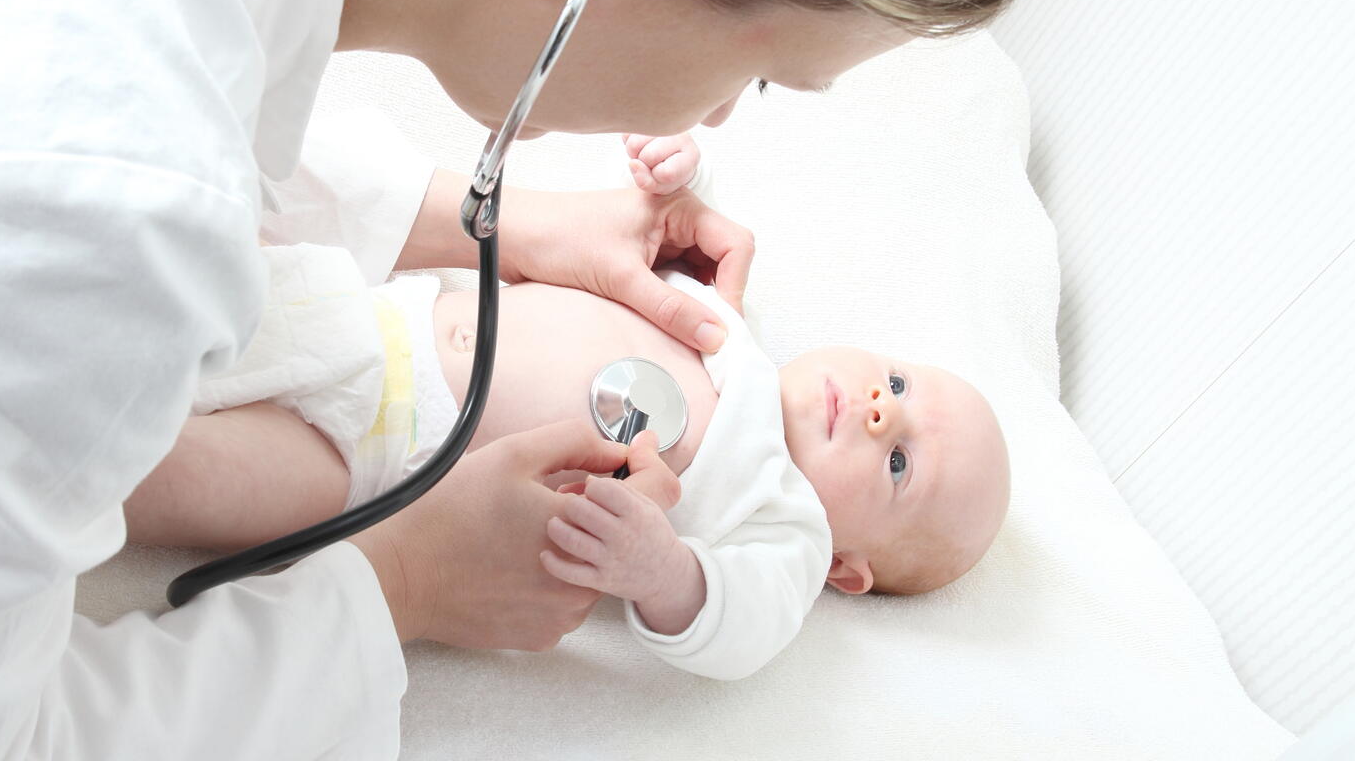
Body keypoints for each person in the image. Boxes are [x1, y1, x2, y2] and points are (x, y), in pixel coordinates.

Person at [0, 0, 1064, 755]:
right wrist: (402, 584)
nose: (711, 126)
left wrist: (505, 220)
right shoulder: (99, 213)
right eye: (755, 79)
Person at [125, 130, 1010, 680]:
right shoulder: (724, 326)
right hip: (368, 309)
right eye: (895, 383)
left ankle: (44, 471)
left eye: (898, 464)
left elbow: (740, 627)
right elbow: (639, 237)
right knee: (195, 256)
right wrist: (675, 173)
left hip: (376, 461)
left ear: (845, 571)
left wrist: (664, 574)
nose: (877, 412)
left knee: (167, 477)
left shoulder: (785, 525)